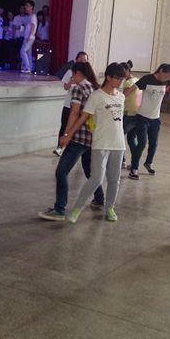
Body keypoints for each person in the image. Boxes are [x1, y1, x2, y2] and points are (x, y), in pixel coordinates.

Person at [38, 62, 104, 221]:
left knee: (61, 172)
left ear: (78, 73)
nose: (72, 78)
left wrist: (66, 134)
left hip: (78, 137)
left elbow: (74, 114)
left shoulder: (78, 89)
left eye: (73, 75)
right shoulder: (94, 88)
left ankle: (59, 209)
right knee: (90, 171)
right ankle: (100, 199)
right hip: (92, 137)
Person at [64, 63, 127, 224]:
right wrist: (68, 135)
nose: (120, 81)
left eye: (122, 79)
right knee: (96, 178)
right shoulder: (96, 96)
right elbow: (82, 118)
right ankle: (77, 209)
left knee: (114, 180)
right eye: (117, 78)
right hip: (101, 142)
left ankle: (110, 208)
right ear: (108, 77)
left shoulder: (121, 97)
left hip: (118, 143)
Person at [127, 63, 170, 179]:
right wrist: (119, 98)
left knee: (154, 143)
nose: (167, 78)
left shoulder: (166, 82)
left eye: (169, 77)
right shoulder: (147, 79)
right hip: (142, 117)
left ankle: (148, 162)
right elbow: (132, 89)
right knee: (142, 143)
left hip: (155, 118)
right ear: (161, 70)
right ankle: (134, 168)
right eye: (166, 75)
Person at [54, 51, 89, 156]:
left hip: (80, 106)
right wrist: (71, 82)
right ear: (76, 60)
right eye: (81, 60)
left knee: (77, 128)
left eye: (85, 60)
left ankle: (73, 149)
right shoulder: (70, 72)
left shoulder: (88, 74)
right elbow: (65, 87)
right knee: (64, 125)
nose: (82, 62)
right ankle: (59, 148)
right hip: (68, 104)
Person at [120, 61, 139, 168]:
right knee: (131, 139)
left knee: (120, 137)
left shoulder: (127, 83)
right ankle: (135, 163)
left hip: (128, 114)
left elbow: (123, 97)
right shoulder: (136, 80)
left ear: (127, 71)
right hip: (137, 114)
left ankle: (121, 161)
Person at [19, 0, 37, 74]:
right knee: (28, 53)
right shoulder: (27, 17)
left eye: (27, 6)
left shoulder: (33, 16)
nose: (25, 7)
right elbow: (24, 26)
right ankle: (29, 68)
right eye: (25, 6)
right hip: (26, 37)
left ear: (31, 7)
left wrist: (30, 36)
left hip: (30, 37)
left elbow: (33, 26)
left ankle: (27, 68)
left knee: (22, 51)